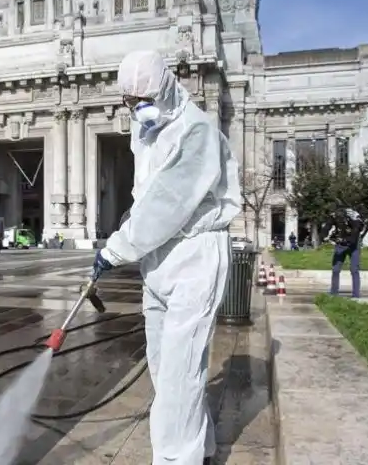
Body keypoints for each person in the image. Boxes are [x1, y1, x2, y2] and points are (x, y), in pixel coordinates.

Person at [93, 50, 241, 465]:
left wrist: (115, 248)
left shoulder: (196, 132)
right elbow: (148, 198)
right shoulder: (147, 133)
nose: (137, 109)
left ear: (168, 87)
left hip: (194, 256)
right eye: (130, 102)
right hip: (158, 260)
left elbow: (168, 203)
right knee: (166, 369)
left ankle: (177, 461)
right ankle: (202, 446)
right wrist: (131, 220)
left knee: (181, 373)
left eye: (143, 100)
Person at [324, 206, 364, 298]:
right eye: (337, 220)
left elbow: (355, 235)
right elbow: (326, 227)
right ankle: (334, 293)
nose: (339, 222)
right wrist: (323, 235)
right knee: (335, 269)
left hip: (353, 245)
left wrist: (344, 240)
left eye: (341, 220)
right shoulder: (334, 215)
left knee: (354, 269)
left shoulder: (354, 218)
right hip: (341, 244)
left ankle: (356, 295)